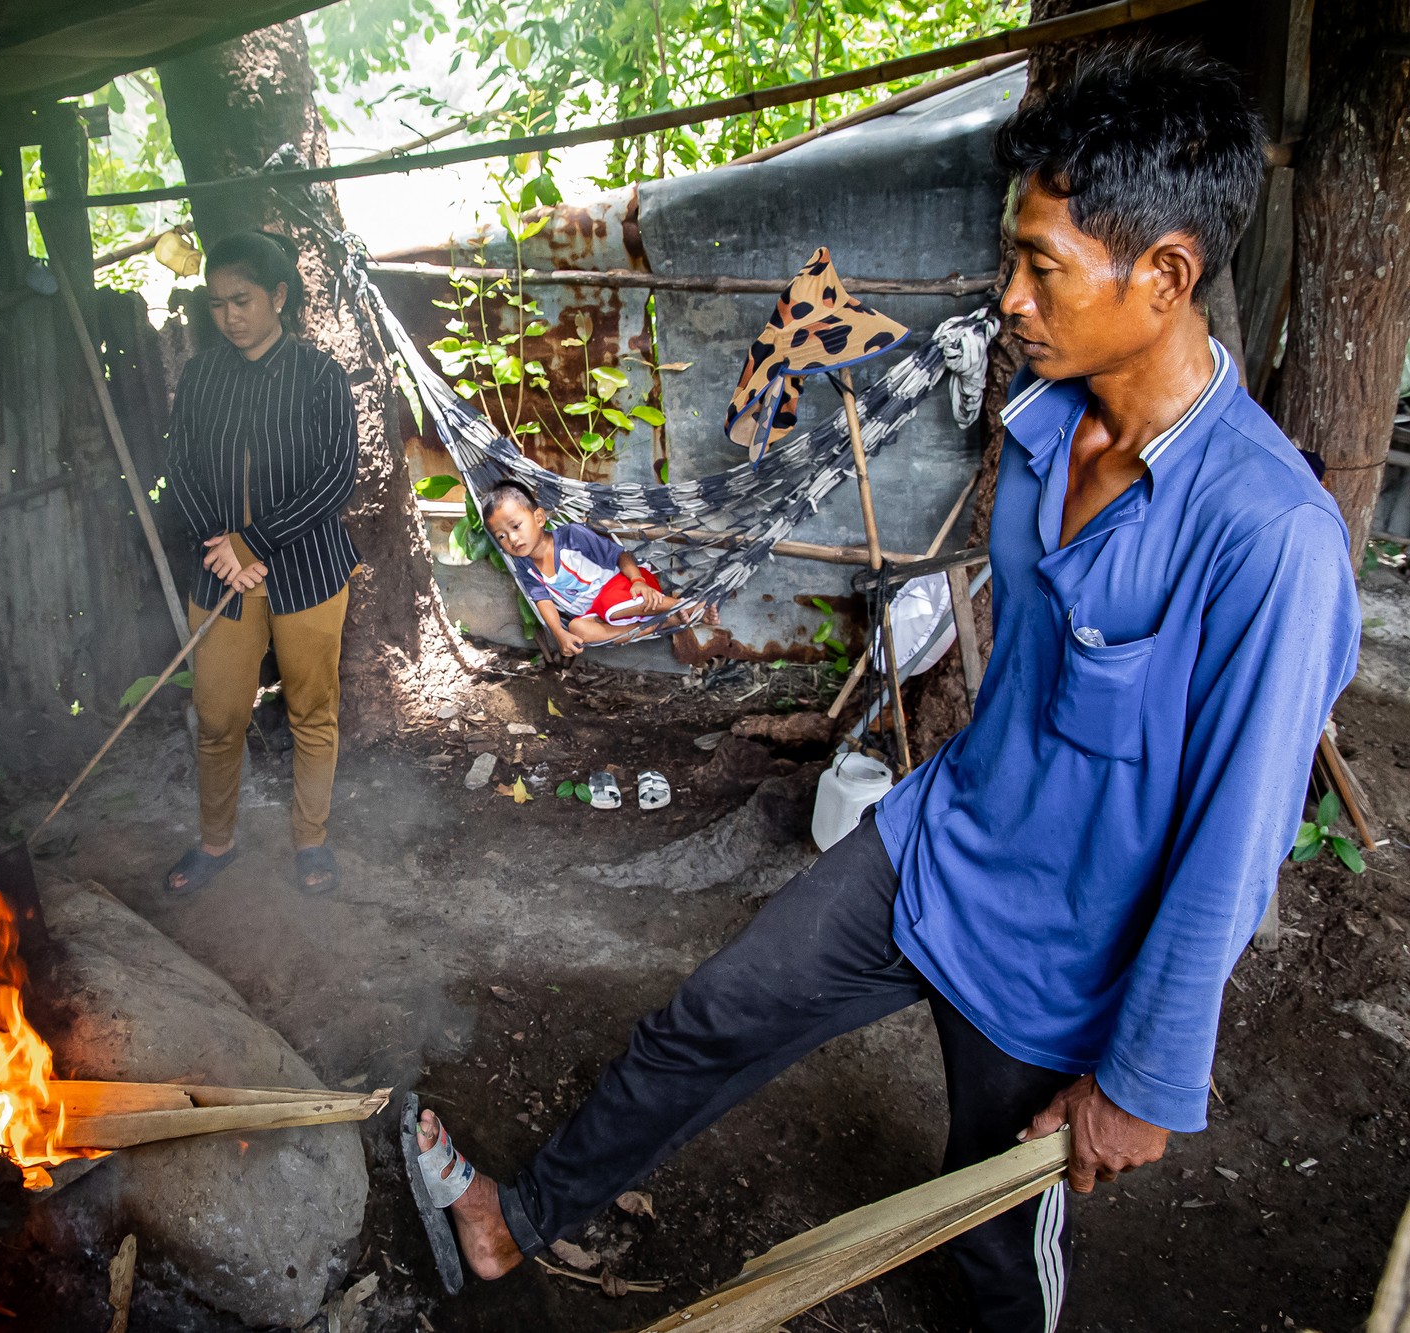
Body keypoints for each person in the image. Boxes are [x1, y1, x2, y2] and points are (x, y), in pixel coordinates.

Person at [408, 42, 1362, 1332]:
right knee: (707, 1016)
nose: (1008, 296)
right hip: (929, 852)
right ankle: (517, 1223)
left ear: (1167, 274)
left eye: (1041, 265)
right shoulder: (1038, 434)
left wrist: (1139, 1076)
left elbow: (1235, 841)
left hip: (1059, 965)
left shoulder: (1269, 537)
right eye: (1008, 256)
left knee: (984, 1244)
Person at [163, 231, 358, 897]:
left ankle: (312, 840)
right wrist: (223, 545)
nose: (229, 316)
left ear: (278, 294)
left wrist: (256, 543)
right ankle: (215, 843)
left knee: (312, 710)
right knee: (218, 717)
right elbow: (180, 467)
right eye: (216, 304)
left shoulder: (320, 377)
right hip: (222, 574)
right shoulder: (201, 376)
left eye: (241, 299)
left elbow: (334, 479)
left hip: (307, 573)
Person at [480, 481, 701, 656]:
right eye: (501, 536)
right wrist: (559, 633)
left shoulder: (572, 537)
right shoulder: (524, 566)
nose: (512, 538)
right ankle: (660, 623)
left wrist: (638, 581)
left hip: (629, 586)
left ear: (539, 518)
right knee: (577, 628)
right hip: (601, 613)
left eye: (516, 526)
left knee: (610, 604)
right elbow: (542, 601)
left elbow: (620, 555)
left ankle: (689, 606)